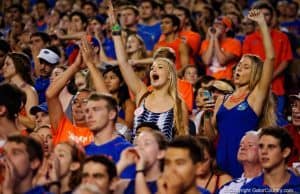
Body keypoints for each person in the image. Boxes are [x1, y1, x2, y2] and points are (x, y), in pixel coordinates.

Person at [204, 9, 276, 178]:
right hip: (221, 165)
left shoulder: (255, 96)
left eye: (245, 67)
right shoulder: (222, 98)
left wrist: (262, 24)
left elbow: (271, 58)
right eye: (238, 66)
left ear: (255, 74)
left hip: (246, 164)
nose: (238, 70)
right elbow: (211, 136)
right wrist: (207, 115)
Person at [107, 1, 189, 141]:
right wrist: (116, 29)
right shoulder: (142, 94)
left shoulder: (178, 104)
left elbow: (184, 138)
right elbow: (123, 63)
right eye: (152, 68)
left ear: (170, 75)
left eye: (159, 67)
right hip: (136, 158)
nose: (153, 70)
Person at [243, 2, 293, 125]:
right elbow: (246, 62)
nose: (264, 17)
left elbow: (286, 61)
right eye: (261, 14)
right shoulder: (249, 39)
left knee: (277, 120)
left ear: (272, 16)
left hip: (277, 86)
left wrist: (270, 76)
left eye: (267, 14)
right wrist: (260, 78)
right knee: (254, 121)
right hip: (254, 86)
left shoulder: (282, 37)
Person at [240, 127, 300, 193]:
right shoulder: (248, 189)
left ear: (285, 152)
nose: (264, 151)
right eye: (261, 146)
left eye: (271, 147)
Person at [115, 124, 168, 194]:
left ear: (160, 153)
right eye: (137, 144)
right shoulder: (127, 184)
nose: (140, 148)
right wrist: (122, 163)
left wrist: (139, 170)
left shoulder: (168, 184)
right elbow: (102, 188)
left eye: (146, 143)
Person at [2, 52, 38, 130]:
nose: (3, 67)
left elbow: (32, 123)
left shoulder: (29, 91)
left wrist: (11, 113)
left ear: (18, 66)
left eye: (7, 64)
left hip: (19, 136)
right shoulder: (3, 88)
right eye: (4, 64)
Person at [200, 16, 242, 80]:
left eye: (219, 24)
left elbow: (222, 61)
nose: (215, 26)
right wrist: (212, 38)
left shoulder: (234, 43)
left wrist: (216, 38)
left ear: (227, 29)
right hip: (209, 79)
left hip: (226, 79)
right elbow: (206, 61)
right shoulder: (206, 42)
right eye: (214, 23)